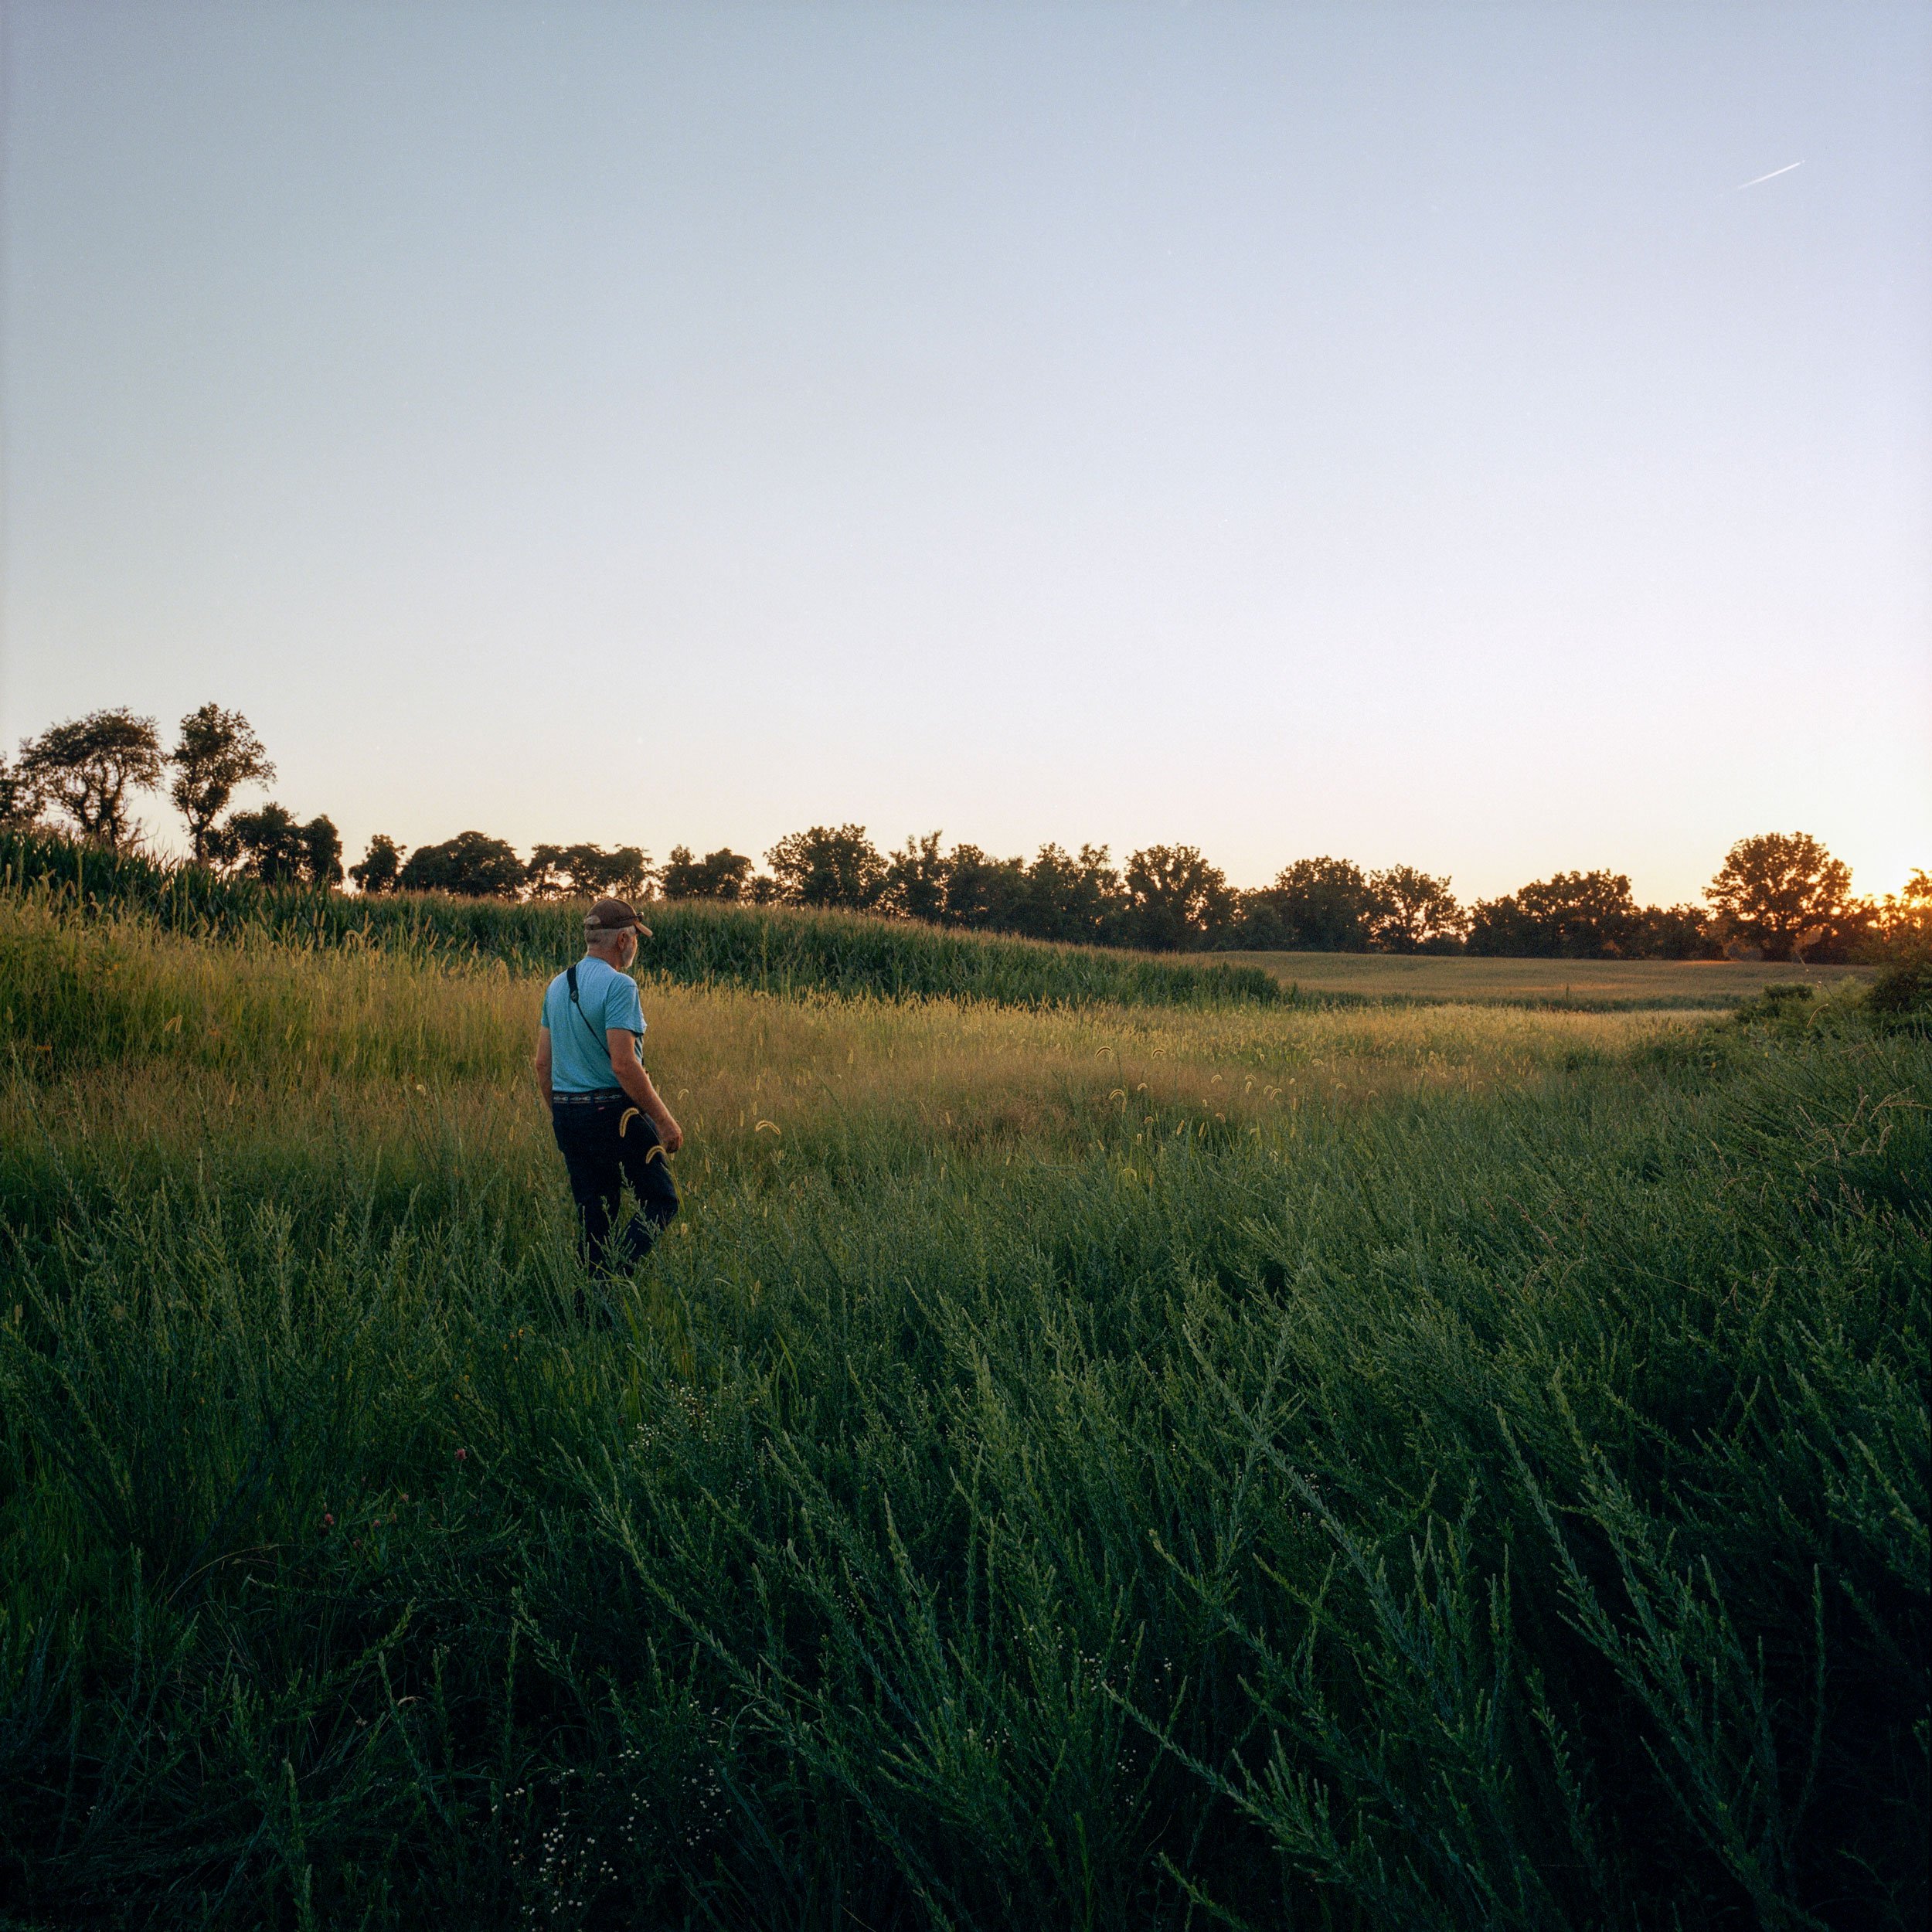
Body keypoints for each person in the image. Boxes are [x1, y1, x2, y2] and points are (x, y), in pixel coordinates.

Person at [535, 896, 684, 1290]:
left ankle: (592, 1307)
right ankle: (617, 1276)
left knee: (595, 1216)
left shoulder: (557, 985)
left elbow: (542, 1065)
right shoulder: (621, 985)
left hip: (568, 1113)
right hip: (612, 1113)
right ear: (622, 940)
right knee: (661, 1202)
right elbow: (623, 1064)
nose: (637, 944)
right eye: (636, 936)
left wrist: (563, 1116)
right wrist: (665, 1121)